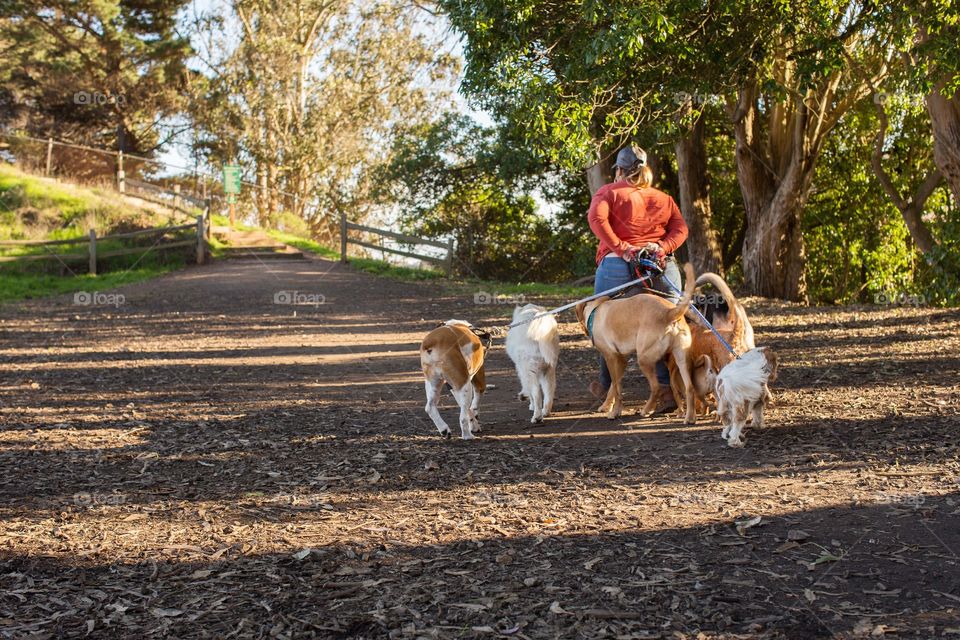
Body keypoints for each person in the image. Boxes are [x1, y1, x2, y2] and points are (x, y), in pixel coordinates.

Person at [586, 145, 689, 410]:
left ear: (619, 170)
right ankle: (667, 391)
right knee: (667, 321)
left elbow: (596, 220)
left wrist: (622, 247)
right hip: (659, 265)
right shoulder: (663, 198)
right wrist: (662, 247)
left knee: (601, 322)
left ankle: (608, 387)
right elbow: (681, 229)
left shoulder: (608, 192)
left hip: (617, 265)